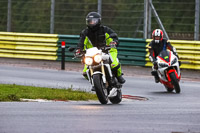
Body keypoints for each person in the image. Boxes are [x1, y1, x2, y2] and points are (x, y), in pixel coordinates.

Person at [76, 11, 125, 85]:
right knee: (85, 72)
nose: (92, 23)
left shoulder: (105, 29)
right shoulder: (85, 32)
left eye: (94, 21)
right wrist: (79, 50)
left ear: (98, 21)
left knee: (114, 64)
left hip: (108, 50)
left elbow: (113, 35)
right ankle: (94, 83)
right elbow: (81, 42)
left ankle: (119, 76)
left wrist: (114, 42)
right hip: (92, 53)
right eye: (90, 21)